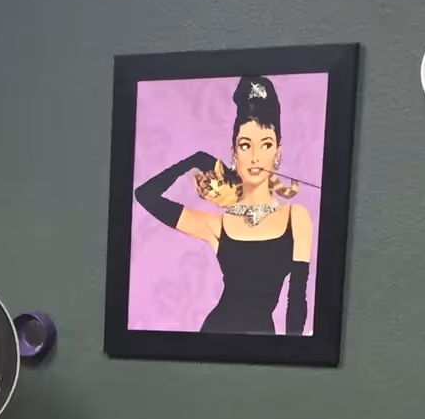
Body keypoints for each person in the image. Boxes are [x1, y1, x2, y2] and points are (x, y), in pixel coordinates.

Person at [133, 75, 312, 334]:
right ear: (233, 153)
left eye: (266, 144)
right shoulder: (217, 225)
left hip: (264, 343)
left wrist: (291, 358)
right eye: (245, 145)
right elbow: (145, 195)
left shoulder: (296, 218)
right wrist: (193, 160)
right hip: (214, 336)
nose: (255, 157)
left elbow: (297, 301)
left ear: (278, 153)